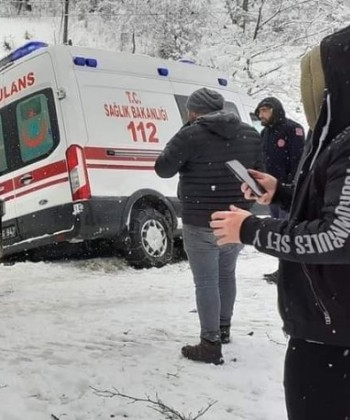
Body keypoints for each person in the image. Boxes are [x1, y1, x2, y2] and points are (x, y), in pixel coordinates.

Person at [210, 25, 350, 419]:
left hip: (333, 337)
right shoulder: (333, 135)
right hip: (330, 329)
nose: (311, 92)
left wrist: (251, 230)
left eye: (316, 80)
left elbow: (340, 236)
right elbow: (334, 205)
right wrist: (284, 192)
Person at [155, 87, 262, 365]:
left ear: (193, 111)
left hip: (200, 220)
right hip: (236, 219)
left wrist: (183, 137)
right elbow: (260, 175)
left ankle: (210, 344)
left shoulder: (190, 134)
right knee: (226, 275)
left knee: (205, 281)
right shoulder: (250, 134)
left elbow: (163, 168)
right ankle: (224, 329)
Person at [253, 97, 306, 283]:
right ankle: (283, 269)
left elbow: (299, 161)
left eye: (265, 111)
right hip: (272, 192)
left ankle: (291, 271)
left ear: (275, 110)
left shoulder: (293, 129)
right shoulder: (265, 133)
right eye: (259, 112)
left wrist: (291, 187)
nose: (261, 115)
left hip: (288, 192)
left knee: (288, 231)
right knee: (279, 232)